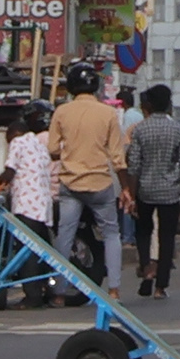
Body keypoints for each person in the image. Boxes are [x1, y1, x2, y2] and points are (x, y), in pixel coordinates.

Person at [46, 69, 128, 286]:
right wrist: (126, 189)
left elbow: (52, 150)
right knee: (111, 234)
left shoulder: (61, 112)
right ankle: (114, 289)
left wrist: (69, 152)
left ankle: (59, 291)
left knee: (65, 233)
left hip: (70, 183)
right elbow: (118, 158)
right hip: (100, 183)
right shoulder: (108, 113)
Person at [124, 84, 180, 300]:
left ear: (149, 105)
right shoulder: (178, 129)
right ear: (169, 105)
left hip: (145, 189)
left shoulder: (140, 130)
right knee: (166, 237)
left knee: (143, 232)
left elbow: (134, 165)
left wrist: (132, 195)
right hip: (170, 191)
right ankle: (161, 286)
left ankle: (146, 268)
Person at [3, 109, 62, 301]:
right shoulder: (39, 144)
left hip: (26, 206)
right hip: (43, 207)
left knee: (26, 251)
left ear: (12, 135)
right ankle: (48, 289)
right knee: (42, 250)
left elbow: (9, 172)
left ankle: (33, 297)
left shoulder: (18, 142)